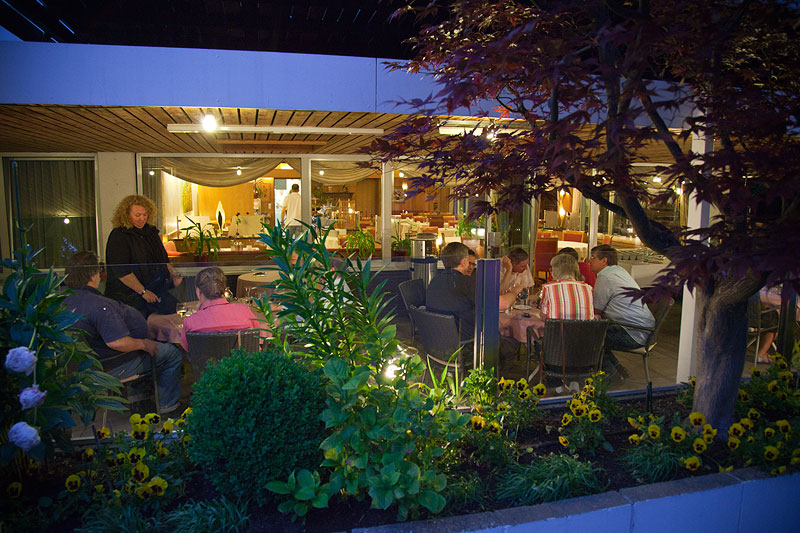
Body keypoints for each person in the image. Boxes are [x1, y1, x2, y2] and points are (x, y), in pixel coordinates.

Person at [63, 251, 183, 414]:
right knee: (172, 353)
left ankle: (140, 400)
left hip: (79, 367)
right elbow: (117, 342)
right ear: (93, 275)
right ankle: (168, 406)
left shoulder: (62, 299)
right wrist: (143, 343)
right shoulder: (98, 305)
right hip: (107, 367)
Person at [105, 195, 182, 318]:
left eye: (145, 215)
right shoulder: (119, 236)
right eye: (137, 215)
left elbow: (163, 260)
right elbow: (122, 272)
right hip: (129, 296)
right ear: (126, 215)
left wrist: (172, 278)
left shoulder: (151, 233)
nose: (142, 219)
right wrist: (143, 292)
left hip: (155, 291)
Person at [426, 242, 517, 340]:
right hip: (465, 341)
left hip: (437, 338)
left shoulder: (434, 281)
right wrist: (515, 291)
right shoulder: (467, 283)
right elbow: (504, 304)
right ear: (464, 262)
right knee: (509, 339)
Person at [589, 244, 655, 378]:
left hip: (633, 333)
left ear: (604, 260)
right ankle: (618, 369)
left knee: (590, 336)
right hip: (645, 330)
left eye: (593, 257)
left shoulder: (605, 277)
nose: (589, 260)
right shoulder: (619, 271)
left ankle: (610, 373)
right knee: (598, 332)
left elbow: (596, 310)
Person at [180, 267, 262, 351]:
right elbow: (259, 339)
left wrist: (199, 312)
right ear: (224, 289)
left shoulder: (191, 322)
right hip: (243, 362)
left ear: (198, 292)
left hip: (207, 364)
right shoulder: (244, 311)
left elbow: (188, 348)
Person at [540, 253, 594, 320]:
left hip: (557, 329)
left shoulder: (548, 288)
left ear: (556, 270)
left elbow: (543, 315)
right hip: (583, 329)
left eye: (552, 269)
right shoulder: (588, 288)